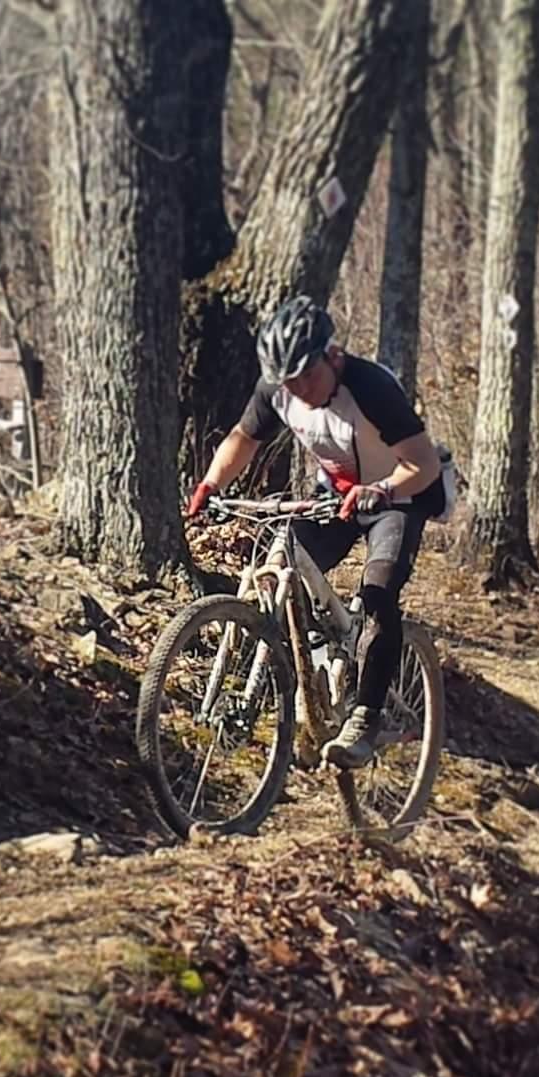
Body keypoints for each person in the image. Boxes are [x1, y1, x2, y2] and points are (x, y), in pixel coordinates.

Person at [186, 294, 444, 769]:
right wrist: (210, 484)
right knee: (280, 563)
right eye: (288, 380)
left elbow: (424, 464)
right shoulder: (277, 390)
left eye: (308, 374)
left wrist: (383, 489)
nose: (299, 388)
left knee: (378, 593)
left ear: (333, 355)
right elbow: (243, 438)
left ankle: (367, 715)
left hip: (401, 495)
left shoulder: (370, 388)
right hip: (336, 494)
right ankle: (305, 677)